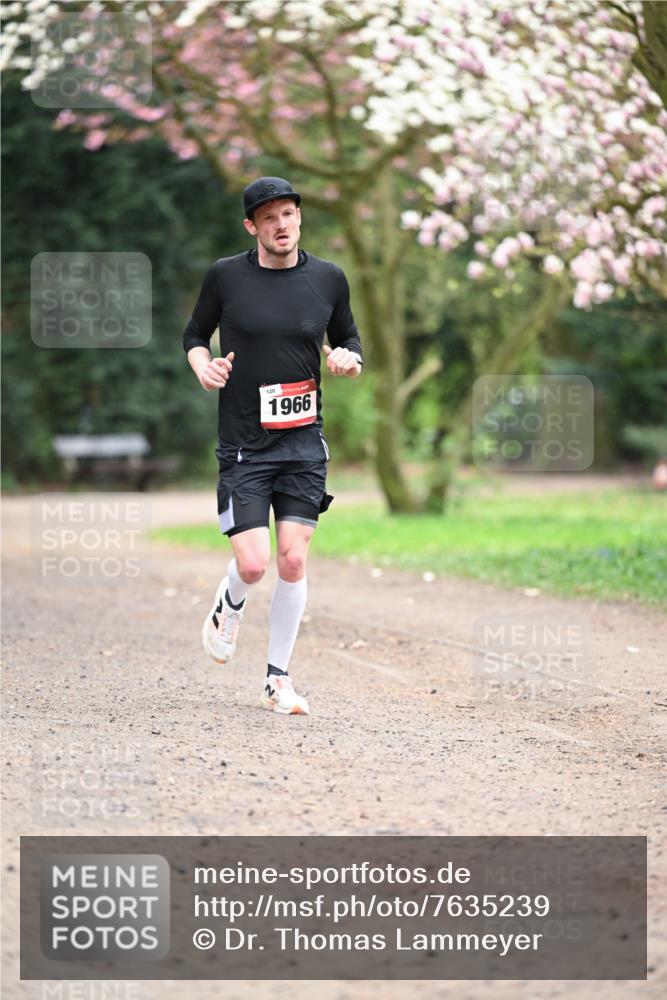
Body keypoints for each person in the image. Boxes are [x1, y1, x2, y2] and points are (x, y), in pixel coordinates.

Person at [182, 176, 363, 716]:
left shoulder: (329, 279)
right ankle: (229, 602)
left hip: (304, 443)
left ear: (299, 218)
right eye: (269, 218)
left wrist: (349, 358)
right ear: (251, 226)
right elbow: (194, 335)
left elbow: (350, 339)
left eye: (288, 214)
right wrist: (204, 367)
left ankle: (278, 679)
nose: (281, 225)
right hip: (244, 445)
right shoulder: (226, 277)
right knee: (256, 564)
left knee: (291, 560)